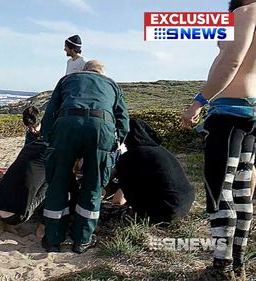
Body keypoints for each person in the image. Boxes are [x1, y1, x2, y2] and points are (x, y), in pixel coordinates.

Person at [181, 1, 255, 280]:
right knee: (241, 190)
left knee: (219, 189)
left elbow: (232, 61)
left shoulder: (245, 12)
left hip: (228, 113)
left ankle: (221, 269)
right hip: (250, 112)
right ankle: (238, 265)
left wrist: (198, 102)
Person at [41, 60, 129, 253]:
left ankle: (53, 239)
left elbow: (50, 113)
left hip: (67, 125)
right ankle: (82, 240)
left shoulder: (67, 79)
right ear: (102, 73)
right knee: (93, 185)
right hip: (101, 128)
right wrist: (114, 145)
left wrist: (49, 141)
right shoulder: (112, 85)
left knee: (58, 182)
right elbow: (123, 121)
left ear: (85, 71)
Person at [112, 118, 195, 224]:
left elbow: (111, 181)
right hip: (183, 206)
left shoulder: (131, 156)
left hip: (163, 213)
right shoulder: (160, 151)